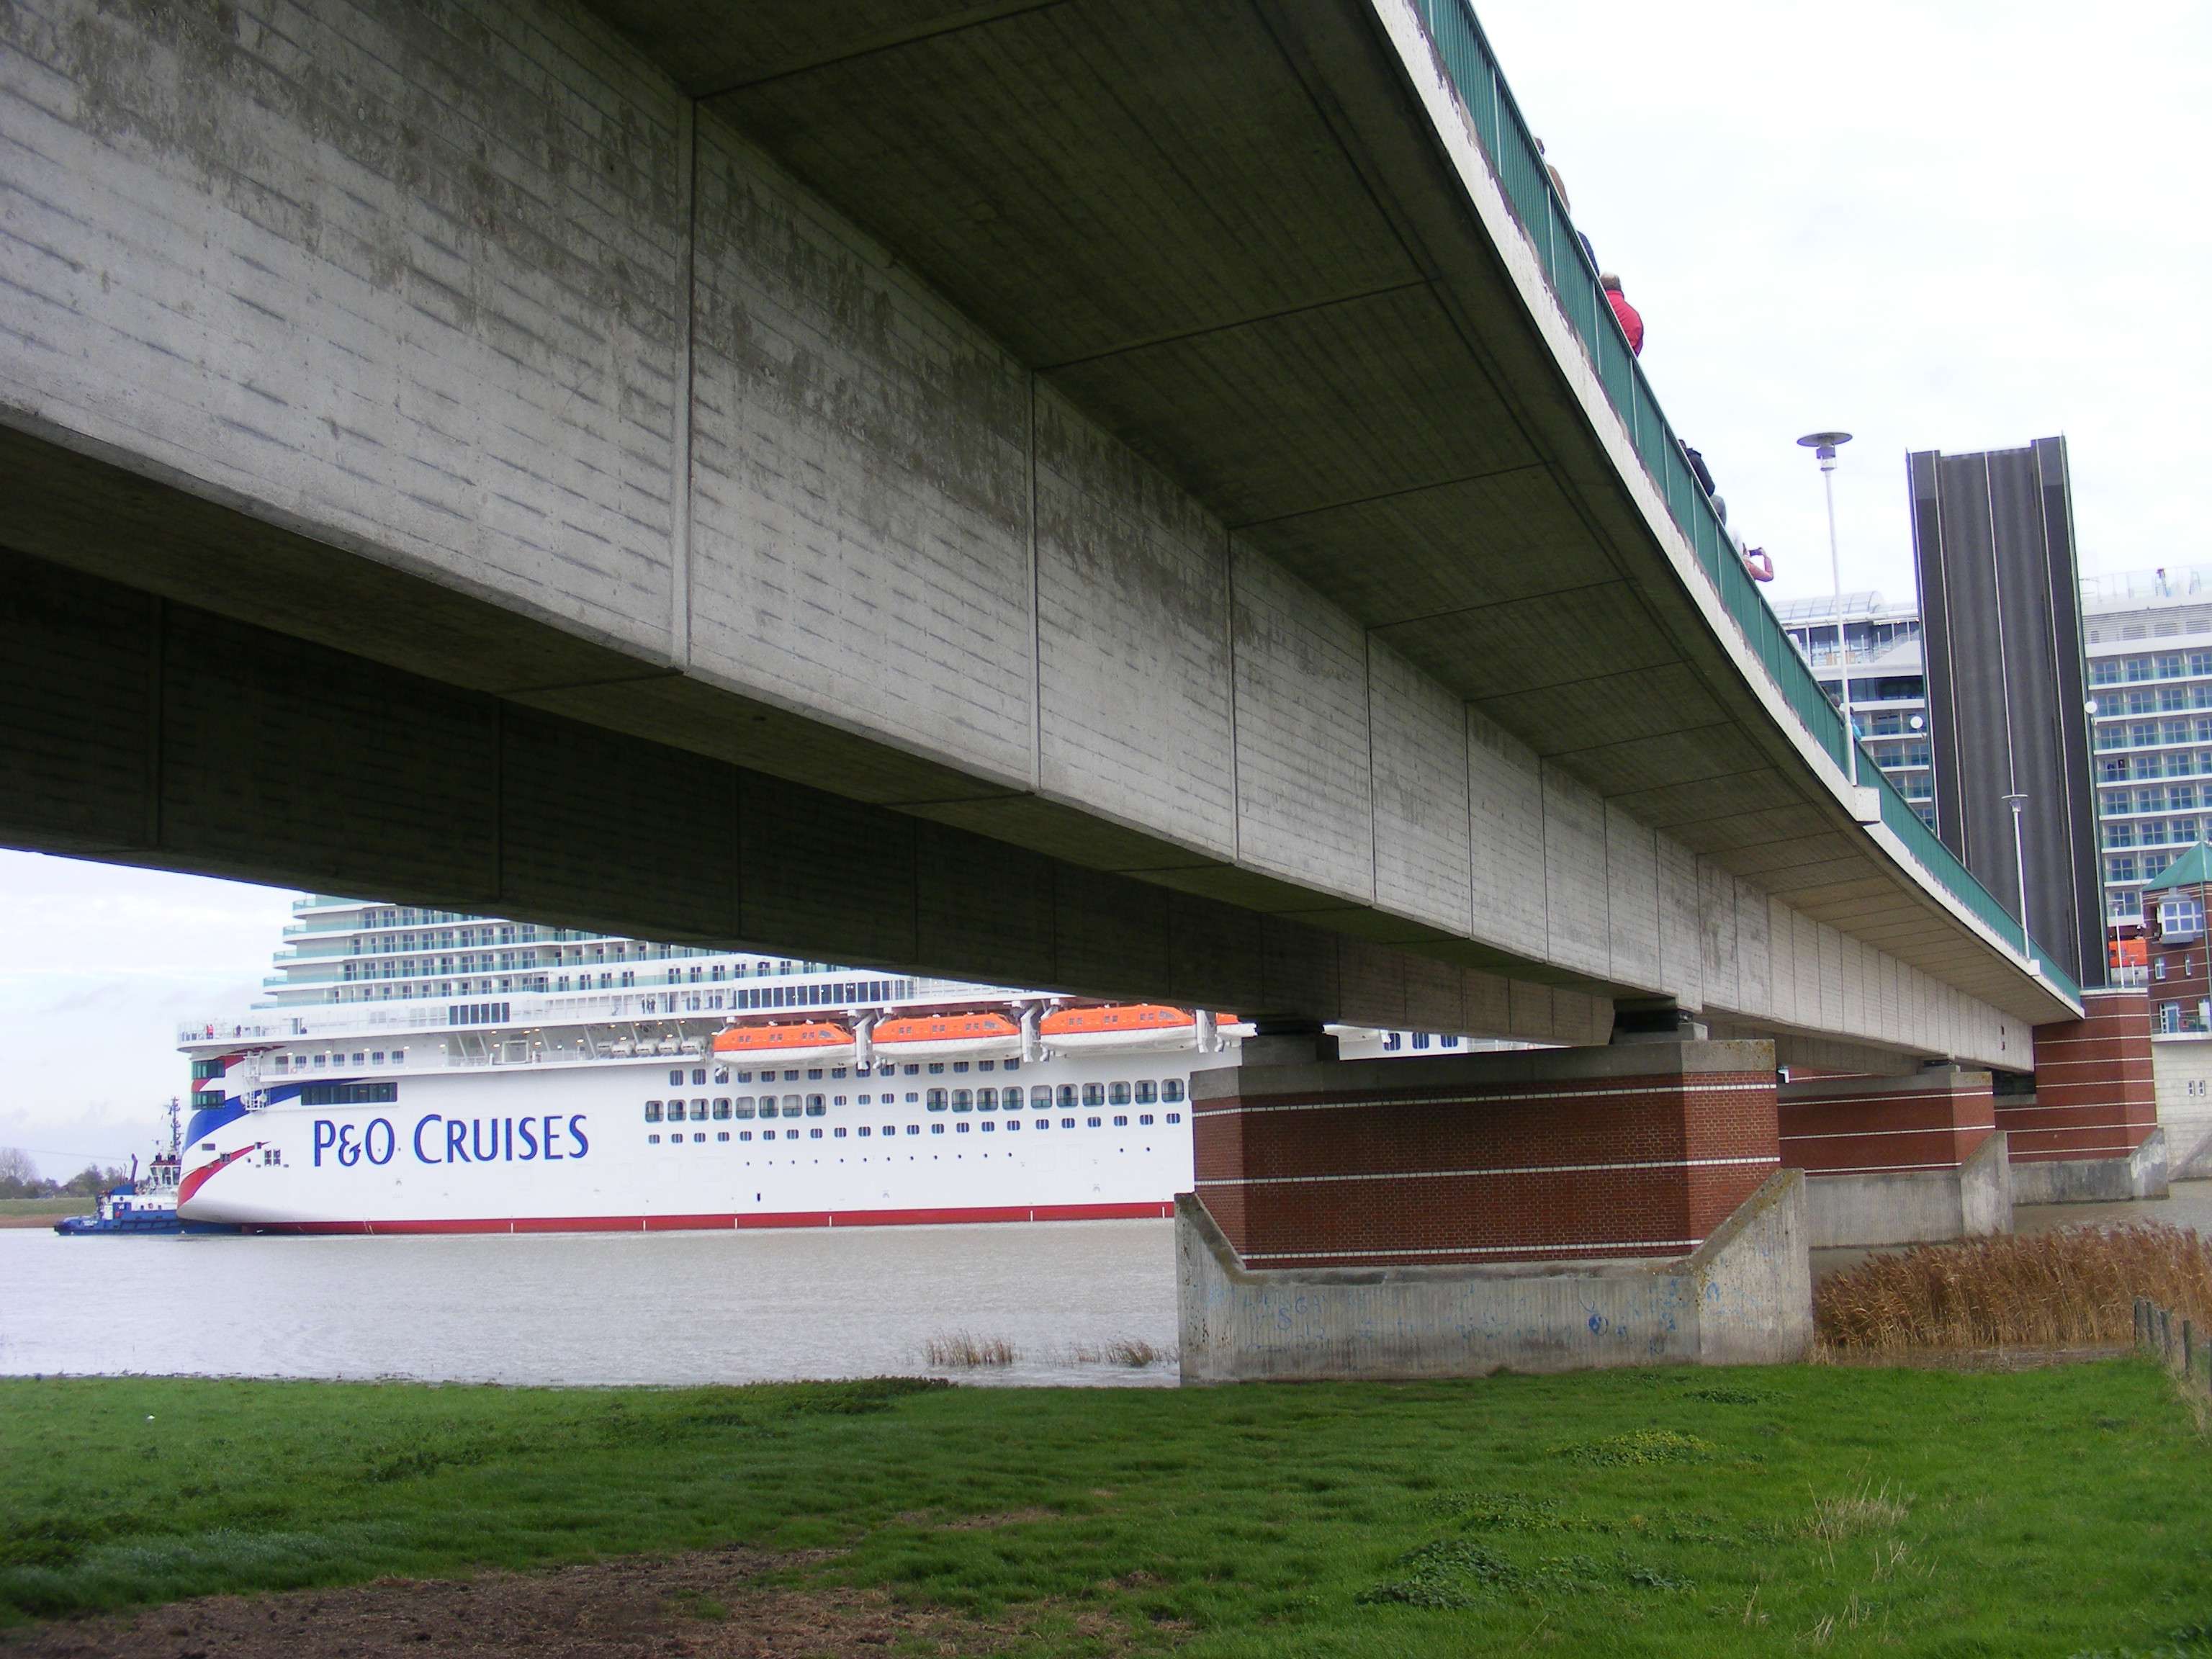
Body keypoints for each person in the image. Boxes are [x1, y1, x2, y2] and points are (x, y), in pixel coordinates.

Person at [1601, 274, 1642, 356]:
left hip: (1601, 353)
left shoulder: (1597, 303)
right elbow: (1637, 346)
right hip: (1622, 360)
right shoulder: (1634, 315)